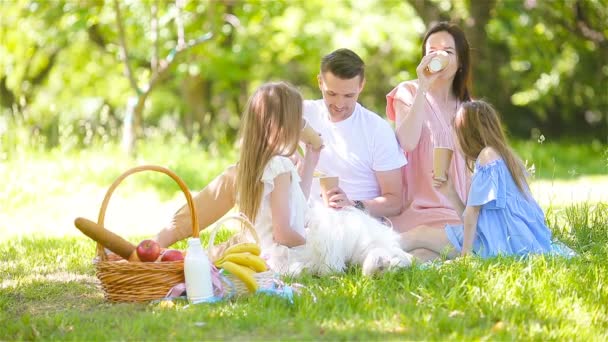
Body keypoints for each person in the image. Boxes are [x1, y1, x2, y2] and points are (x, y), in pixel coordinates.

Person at [155, 48, 407, 248]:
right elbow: (259, 147)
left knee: (243, 248)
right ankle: (163, 239)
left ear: (361, 86)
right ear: (320, 82)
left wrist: (357, 204)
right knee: (237, 173)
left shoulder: (376, 129)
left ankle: (214, 256)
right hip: (289, 206)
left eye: (348, 96)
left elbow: (395, 201)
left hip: (337, 219)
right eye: (332, 94)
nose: (339, 104)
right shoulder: (302, 112)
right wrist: (293, 159)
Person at [218, 81, 412, 275]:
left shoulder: (256, 164)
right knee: (344, 225)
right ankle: (386, 257)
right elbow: (284, 234)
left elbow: (295, 207)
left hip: (272, 250)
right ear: (284, 125)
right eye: (298, 121)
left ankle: (382, 256)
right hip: (286, 257)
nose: (302, 127)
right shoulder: (279, 166)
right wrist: (312, 240)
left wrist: (311, 160)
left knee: (344, 222)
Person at [399, 100, 554, 259]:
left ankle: (375, 249)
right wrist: (451, 192)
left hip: (492, 242)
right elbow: (475, 217)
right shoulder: (504, 156)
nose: (455, 142)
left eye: (455, 135)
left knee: (420, 234)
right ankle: (386, 263)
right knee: (423, 254)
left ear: (467, 134)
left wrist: (466, 257)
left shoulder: (487, 158)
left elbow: (472, 216)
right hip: (507, 243)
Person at [385, 22, 473, 234]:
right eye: (432, 51)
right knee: (430, 244)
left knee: (427, 250)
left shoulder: (469, 108)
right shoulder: (408, 92)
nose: (438, 56)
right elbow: (407, 141)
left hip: (455, 210)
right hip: (416, 209)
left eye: (448, 51)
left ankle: (412, 248)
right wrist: (423, 87)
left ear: (460, 61)